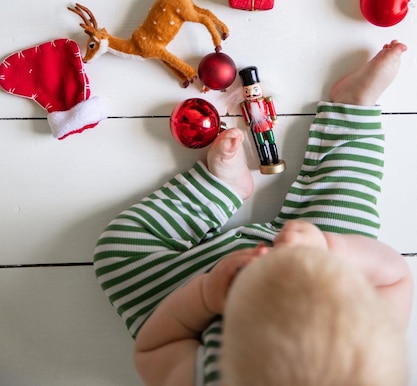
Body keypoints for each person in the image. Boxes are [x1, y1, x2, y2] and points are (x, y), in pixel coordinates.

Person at [93, 40, 413, 386]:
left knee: (118, 253)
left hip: (195, 292)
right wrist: (328, 249)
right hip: (317, 266)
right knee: (349, 212)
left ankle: (221, 186)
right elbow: (396, 278)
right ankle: (352, 108)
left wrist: (203, 296)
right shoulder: (364, 355)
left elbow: (154, 350)